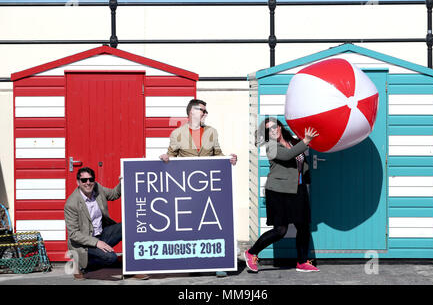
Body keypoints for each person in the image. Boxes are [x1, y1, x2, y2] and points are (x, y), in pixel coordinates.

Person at [159, 98, 237, 277]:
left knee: (212, 226)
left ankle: (219, 263)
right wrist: (165, 159)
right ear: (191, 113)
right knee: (192, 225)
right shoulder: (177, 133)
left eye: (205, 111)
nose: (205, 113)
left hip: (209, 188)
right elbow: (171, 156)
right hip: (187, 188)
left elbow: (218, 155)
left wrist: (229, 160)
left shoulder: (211, 132)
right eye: (202, 110)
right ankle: (194, 264)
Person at [244, 117, 320, 273]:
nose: (273, 130)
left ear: (280, 126)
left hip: (297, 189)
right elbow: (288, 155)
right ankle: (252, 252)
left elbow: (300, 159)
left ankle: (301, 262)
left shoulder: (293, 141)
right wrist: (305, 141)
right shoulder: (271, 147)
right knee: (281, 230)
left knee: (303, 226)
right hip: (278, 191)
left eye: (275, 126)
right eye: (269, 129)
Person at [64, 167, 149, 280]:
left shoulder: (97, 188)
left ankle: (130, 268)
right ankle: (80, 265)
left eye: (91, 179)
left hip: (101, 234)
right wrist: (96, 243)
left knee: (129, 226)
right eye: (84, 180)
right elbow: (74, 234)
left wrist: (123, 181)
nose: (88, 183)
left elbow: (114, 194)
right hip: (84, 243)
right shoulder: (71, 204)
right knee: (110, 258)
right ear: (78, 182)